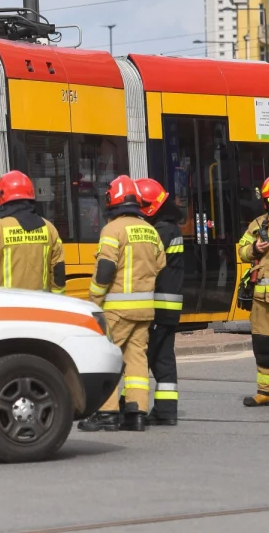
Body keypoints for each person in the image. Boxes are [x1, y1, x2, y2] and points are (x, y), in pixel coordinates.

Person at [78, 176, 165, 433]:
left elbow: (105, 268)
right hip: (144, 309)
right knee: (136, 360)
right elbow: (160, 265)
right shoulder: (150, 230)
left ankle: (107, 412)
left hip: (116, 310)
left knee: (105, 359)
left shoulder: (112, 230)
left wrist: (94, 300)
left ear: (112, 200)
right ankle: (136, 413)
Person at [135, 177, 184, 426]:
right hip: (169, 307)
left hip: (158, 305)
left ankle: (133, 408)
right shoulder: (170, 227)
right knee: (163, 359)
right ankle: (166, 411)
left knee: (141, 357)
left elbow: (147, 264)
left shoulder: (161, 231)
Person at [237, 173, 269, 408]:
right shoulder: (257, 224)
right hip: (261, 298)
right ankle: (267, 391)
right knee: (263, 345)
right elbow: (242, 250)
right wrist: (254, 249)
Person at [0, 170, 66, 292]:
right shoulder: (49, 229)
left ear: (1, 196)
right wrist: (57, 304)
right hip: (42, 307)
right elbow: (58, 273)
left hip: (6, 308)